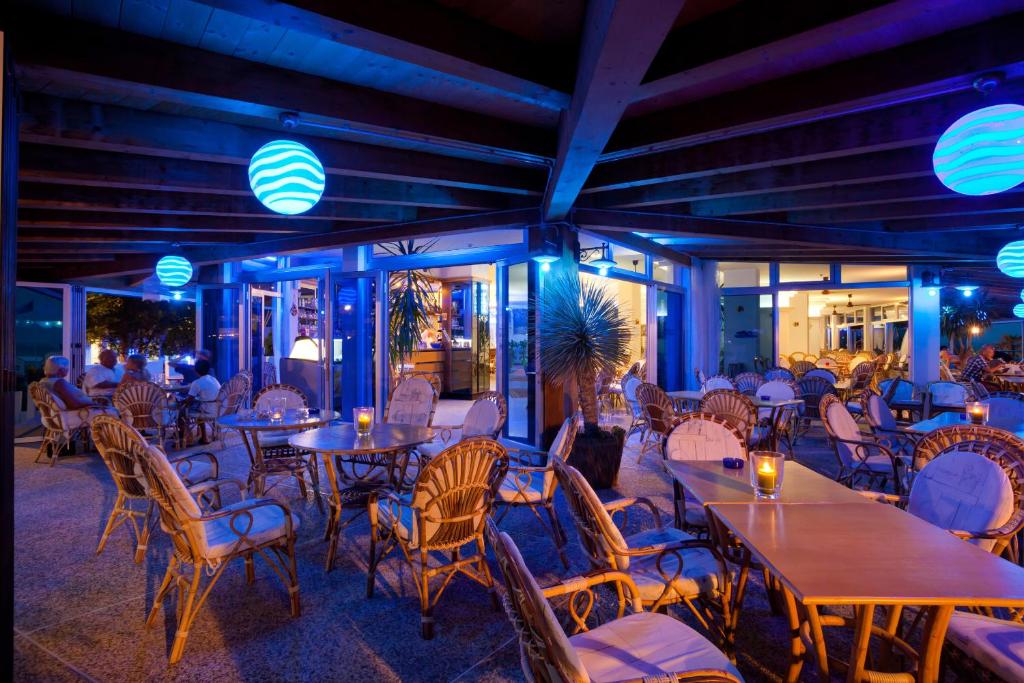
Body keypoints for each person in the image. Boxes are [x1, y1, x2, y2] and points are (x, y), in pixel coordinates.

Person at [38, 355, 109, 416]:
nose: (67, 370)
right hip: (78, 414)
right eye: (66, 368)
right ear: (61, 370)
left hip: (59, 415)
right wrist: (94, 404)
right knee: (112, 412)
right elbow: (74, 404)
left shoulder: (44, 381)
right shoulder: (59, 383)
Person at [179, 359, 221, 443]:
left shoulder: (197, 382)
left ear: (195, 370)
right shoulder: (214, 379)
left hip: (206, 410)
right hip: (218, 409)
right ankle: (204, 437)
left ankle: (184, 437)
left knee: (181, 411)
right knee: (198, 407)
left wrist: (181, 402)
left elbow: (189, 400)